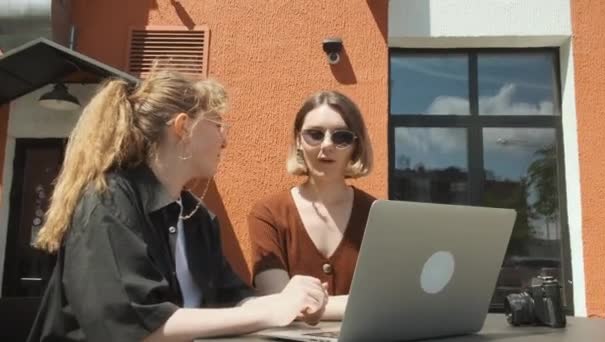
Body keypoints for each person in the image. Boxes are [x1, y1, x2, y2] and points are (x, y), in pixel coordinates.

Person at [27, 69, 328, 342]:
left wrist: (289, 301)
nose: (224, 140)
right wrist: (270, 313)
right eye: (219, 124)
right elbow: (140, 329)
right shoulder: (108, 202)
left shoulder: (197, 217)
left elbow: (231, 299)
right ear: (183, 127)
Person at [248, 91, 376, 321]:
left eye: (342, 137)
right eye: (314, 134)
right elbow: (276, 299)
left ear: (355, 147)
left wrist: (304, 306)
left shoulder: (377, 214)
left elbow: (386, 299)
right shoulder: (268, 213)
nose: (326, 145)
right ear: (298, 140)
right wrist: (357, 305)